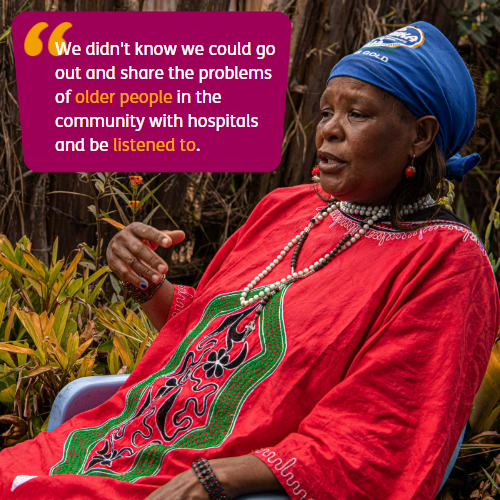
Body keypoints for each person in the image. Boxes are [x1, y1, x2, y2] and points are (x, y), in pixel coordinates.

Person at [1, 21, 499, 500]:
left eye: (357, 114)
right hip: (112, 446)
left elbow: (377, 432)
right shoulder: (288, 208)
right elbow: (213, 341)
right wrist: (145, 280)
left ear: (421, 134)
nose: (328, 131)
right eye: (325, 112)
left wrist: (219, 477)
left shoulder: (445, 262)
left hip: (203, 478)